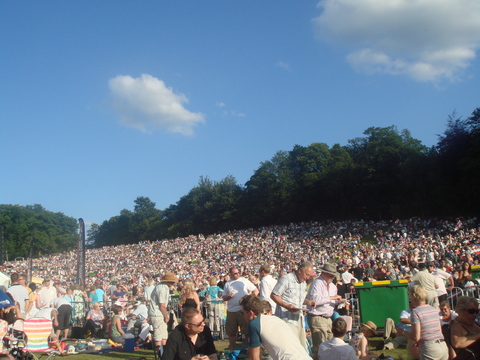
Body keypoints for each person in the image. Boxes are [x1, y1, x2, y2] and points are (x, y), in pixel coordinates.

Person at [239, 294, 311, 360]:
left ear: (251, 313)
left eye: (242, 313)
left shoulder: (254, 324)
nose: (242, 316)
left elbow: (254, 357)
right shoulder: (277, 320)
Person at [271, 261, 314, 350]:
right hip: (286, 319)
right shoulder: (286, 279)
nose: (308, 277)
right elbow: (274, 295)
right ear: (300, 270)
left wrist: (308, 302)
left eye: (309, 275)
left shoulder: (303, 283)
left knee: (301, 348)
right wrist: (286, 306)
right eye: (306, 274)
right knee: (290, 348)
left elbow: (298, 299)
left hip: (298, 319)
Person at [399, 285, 447, 360]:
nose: (409, 298)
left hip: (430, 348)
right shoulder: (433, 309)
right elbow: (439, 330)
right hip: (443, 346)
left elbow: (416, 337)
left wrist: (403, 332)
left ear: (414, 297)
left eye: (410, 296)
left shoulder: (416, 312)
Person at [305, 263, 343, 359]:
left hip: (328, 318)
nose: (333, 277)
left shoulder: (333, 286)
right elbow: (315, 301)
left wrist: (339, 301)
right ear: (324, 273)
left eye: (334, 275)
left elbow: (332, 301)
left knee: (331, 345)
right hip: (317, 317)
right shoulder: (317, 284)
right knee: (320, 346)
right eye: (331, 275)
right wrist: (332, 298)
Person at [222, 267, 259, 351]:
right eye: (235, 273)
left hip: (243, 310)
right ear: (230, 274)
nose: (237, 274)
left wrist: (249, 300)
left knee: (246, 332)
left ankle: (249, 349)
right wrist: (228, 297)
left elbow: (256, 291)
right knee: (232, 332)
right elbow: (224, 297)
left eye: (238, 273)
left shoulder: (244, 281)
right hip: (231, 311)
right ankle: (231, 349)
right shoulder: (228, 283)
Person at [148, 272, 179, 357]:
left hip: (159, 313)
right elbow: (162, 306)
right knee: (158, 335)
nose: (173, 283)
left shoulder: (163, 286)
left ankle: (165, 354)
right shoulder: (162, 289)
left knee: (164, 335)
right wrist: (166, 317)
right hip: (157, 314)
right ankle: (160, 354)